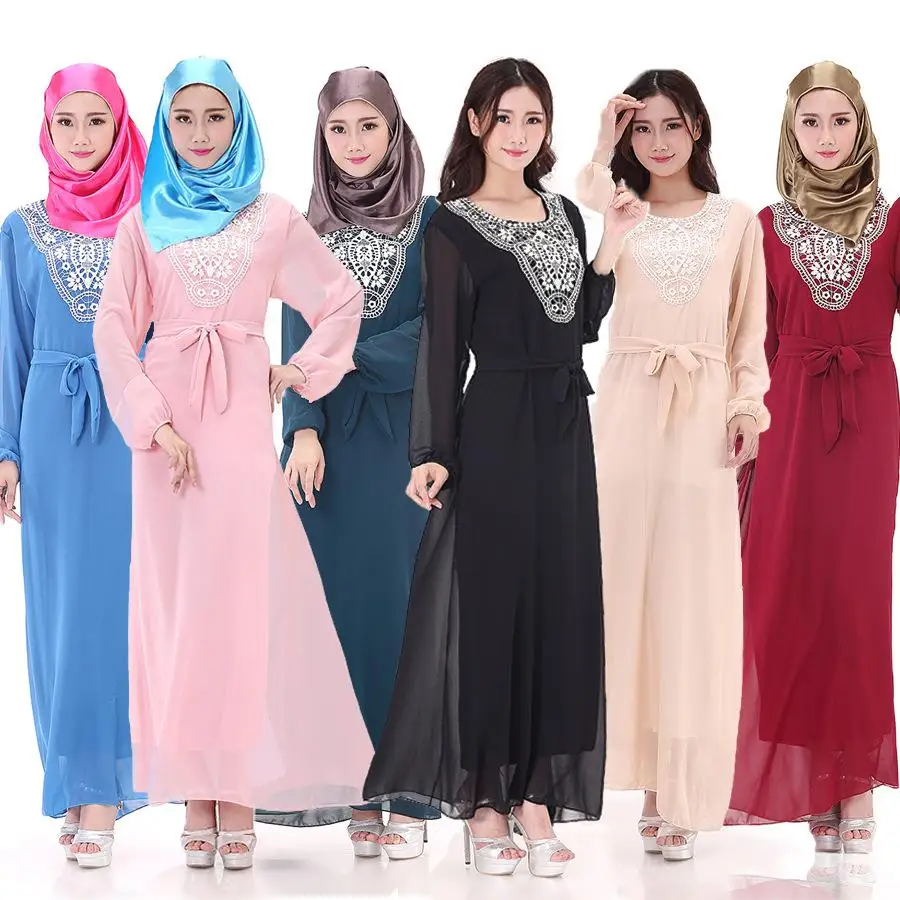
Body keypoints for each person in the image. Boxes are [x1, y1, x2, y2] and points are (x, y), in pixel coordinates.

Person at [93, 57, 373, 870]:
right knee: (179, 613)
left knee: (242, 610)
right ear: (164, 127)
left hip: (242, 433)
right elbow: (114, 329)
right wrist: (153, 423)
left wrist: (302, 371)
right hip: (168, 443)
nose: (200, 133)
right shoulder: (143, 221)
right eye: (183, 119)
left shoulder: (273, 218)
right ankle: (195, 791)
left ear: (239, 123)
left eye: (215, 117)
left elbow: (339, 299)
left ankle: (239, 788)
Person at [362, 57, 616, 878]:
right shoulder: (451, 225)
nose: (518, 134)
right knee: (493, 612)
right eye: (504, 117)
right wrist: (431, 451)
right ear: (476, 122)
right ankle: (484, 804)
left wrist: (613, 238)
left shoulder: (564, 213)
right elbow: (442, 345)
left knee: (558, 606)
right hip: (496, 429)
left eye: (533, 119)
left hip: (565, 430)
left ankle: (537, 797)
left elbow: (580, 324)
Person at [578, 68, 769, 860]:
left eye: (672, 125)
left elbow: (748, 329)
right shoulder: (619, 209)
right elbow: (585, 217)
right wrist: (602, 142)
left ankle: (680, 791)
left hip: (701, 414)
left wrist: (747, 405)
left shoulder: (737, 220)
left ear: (698, 129)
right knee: (625, 593)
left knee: (693, 600)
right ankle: (638, 775)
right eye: (643, 129)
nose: (658, 142)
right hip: (626, 410)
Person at [255, 67, 440, 860]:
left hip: (407, 440)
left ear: (395, 132)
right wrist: (302, 427)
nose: (354, 143)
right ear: (321, 137)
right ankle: (358, 786)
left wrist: (345, 355)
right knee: (332, 620)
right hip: (327, 446)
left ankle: (410, 790)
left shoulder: (433, 222)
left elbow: (439, 329)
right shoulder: (307, 228)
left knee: (406, 612)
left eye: (369, 126)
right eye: (339, 129)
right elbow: (295, 335)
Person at [727, 62, 900, 855]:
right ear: (790, 131)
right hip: (787, 425)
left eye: (840, 121)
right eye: (810, 122)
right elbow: (752, 344)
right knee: (788, 599)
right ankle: (811, 785)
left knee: (856, 601)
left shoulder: (893, 221)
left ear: (861, 127)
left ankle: (855, 786)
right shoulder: (765, 227)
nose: (826, 137)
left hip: (867, 428)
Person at [0, 63, 148, 868]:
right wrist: (5, 450)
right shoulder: (20, 229)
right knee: (58, 615)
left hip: (132, 430)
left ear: (120, 127)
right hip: (53, 433)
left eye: (97, 121)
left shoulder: (153, 224)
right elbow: (9, 346)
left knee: (117, 611)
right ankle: (75, 779)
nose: (82, 137)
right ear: (47, 130)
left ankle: (103, 792)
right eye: (67, 122)